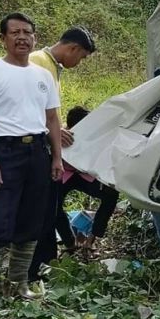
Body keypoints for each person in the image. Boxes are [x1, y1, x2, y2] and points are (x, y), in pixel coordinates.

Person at [0, 12, 63, 305]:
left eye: (27, 32)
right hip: (5, 152)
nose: (22, 37)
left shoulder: (43, 75)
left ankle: (18, 285)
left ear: (35, 38)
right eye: (15, 33)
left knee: (31, 221)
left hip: (37, 152)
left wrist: (57, 157)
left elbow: (52, 119)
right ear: (3, 39)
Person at [27, 27, 96, 280]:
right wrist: (50, 130)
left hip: (45, 147)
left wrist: (56, 130)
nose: (80, 62)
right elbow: (28, 106)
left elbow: (49, 111)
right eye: (83, 57)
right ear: (73, 48)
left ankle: (47, 263)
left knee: (49, 209)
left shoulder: (53, 67)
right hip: (32, 147)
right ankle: (35, 269)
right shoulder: (38, 62)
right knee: (41, 211)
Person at [53, 107, 119, 251]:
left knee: (111, 194)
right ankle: (69, 242)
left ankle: (91, 239)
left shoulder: (97, 135)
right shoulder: (62, 134)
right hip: (64, 172)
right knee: (53, 205)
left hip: (86, 174)